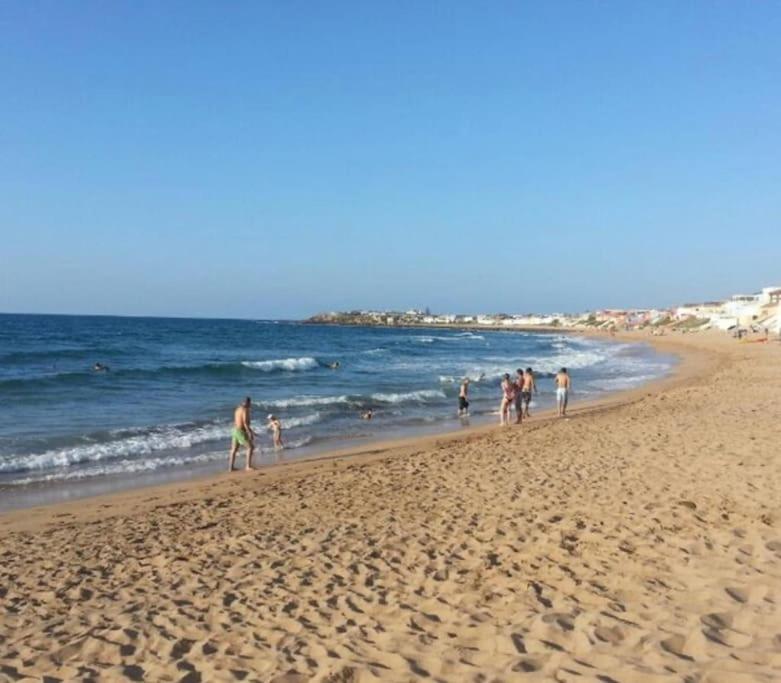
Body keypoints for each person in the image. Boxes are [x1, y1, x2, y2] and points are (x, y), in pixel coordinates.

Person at [229, 397, 255, 471]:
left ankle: (231, 467)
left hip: (234, 430)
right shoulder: (245, 410)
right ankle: (247, 466)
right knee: (250, 447)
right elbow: (245, 423)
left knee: (234, 449)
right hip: (240, 431)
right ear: (247, 402)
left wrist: (252, 431)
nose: (250, 404)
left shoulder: (237, 409)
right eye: (250, 403)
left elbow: (237, 421)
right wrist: (250, 433)